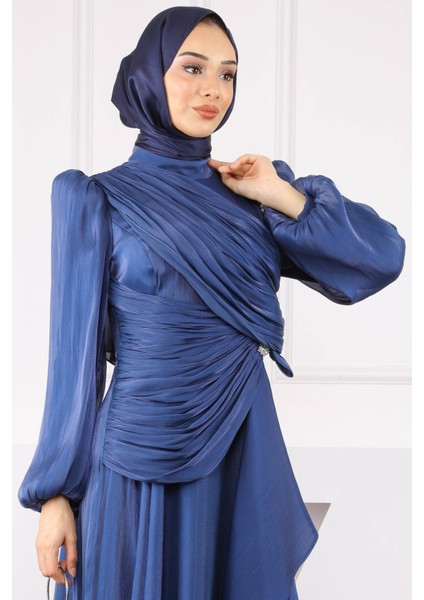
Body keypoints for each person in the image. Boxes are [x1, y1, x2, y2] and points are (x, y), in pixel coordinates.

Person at [18, 6, 405, 600]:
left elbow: (380, 258)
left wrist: (280, 193)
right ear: (149, 76)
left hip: (241, 443)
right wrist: (53, 497)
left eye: (228, 74)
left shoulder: (253, 199)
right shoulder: (94, 197)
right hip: (137, 456)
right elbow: (72, 360)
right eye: (192, 68)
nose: (213, 90)